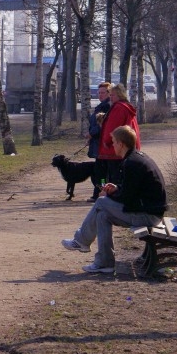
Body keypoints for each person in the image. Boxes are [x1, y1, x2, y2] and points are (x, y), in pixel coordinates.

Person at [62, 125, 167, 273]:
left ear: (121, 144)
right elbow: (130, 191)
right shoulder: (135, 158)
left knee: (101, 202)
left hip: (148, 215)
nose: (112, 146)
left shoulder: (132, 163)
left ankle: (81, 241)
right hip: (147, 211)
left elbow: (127, 198)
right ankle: (105, 263)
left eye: (113, 142)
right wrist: (116, 188)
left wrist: (109, 195)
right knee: (103, 215)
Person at [97, 83, 140, 188]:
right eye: (110, 95)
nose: (110, 97)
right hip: (127, 146)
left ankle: (114, 199)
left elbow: (112, 128)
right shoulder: (126, 107)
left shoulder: (118, 108)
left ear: (120, 95)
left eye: (113, 95)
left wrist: (106, 142)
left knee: (114, 178)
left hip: (116, 150)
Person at [86, 81, 111, 202]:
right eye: (98, 92)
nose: (100, 95)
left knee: (101, 173)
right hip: (97, 144)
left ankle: (100, 193)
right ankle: (99, 192)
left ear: (109, 93)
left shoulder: (106, 106)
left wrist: (92, 133)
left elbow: (103, 125)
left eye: (102, 93)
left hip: (102, 145)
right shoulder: (100, 106)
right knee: (100, 171)